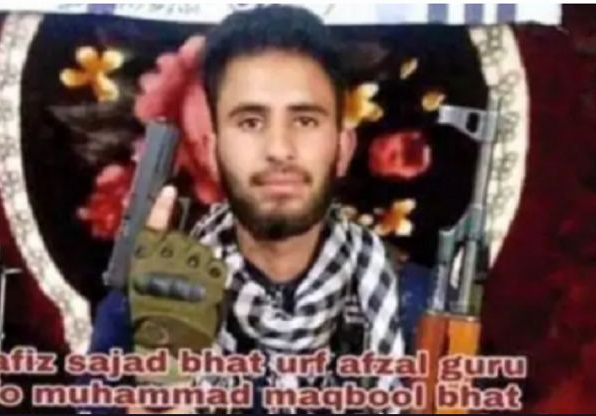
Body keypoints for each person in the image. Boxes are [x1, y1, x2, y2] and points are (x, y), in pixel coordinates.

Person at [87, 5, 405, 413]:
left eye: (305, 120)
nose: (279, 149)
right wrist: (162, 380)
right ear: (213, 153)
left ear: (342, 149)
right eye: (251, 122)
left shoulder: (415, 307)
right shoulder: (143, 302)